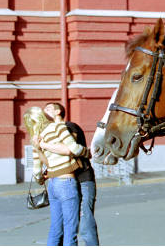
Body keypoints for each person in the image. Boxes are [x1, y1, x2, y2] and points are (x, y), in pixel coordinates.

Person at [24, 106, 89, 246]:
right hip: (66, 182)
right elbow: (73, 149)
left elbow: (37, 173)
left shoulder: (36, 139)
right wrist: (87, 152)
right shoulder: (58, 127)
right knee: (70, 230)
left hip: (53, 184)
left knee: (55, 229)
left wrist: (41, 177)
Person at [44, 102, 99, 246]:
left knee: (85, 223)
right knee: (61, 226)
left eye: (48, 108)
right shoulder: (49, 132)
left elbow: (69, 149)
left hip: (83, 180)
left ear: (58, 112)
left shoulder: (69, 127)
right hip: (64, 181)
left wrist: (43, 145)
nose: (44, 111)